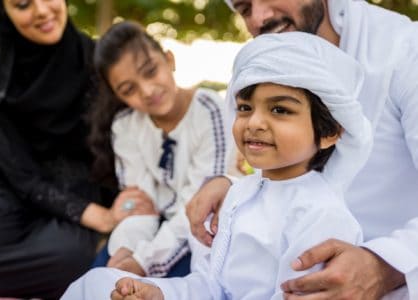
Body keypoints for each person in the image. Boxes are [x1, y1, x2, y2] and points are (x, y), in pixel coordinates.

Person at [61, 31, 375, 300]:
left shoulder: (322, 215)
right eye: (245, 107)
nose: (255, 122)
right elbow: (211, 285)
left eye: (279, 109)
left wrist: (147, 264)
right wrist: (160, 292)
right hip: (162, 242)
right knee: (96, 283)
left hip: (174, 239)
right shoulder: (237, 196)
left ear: (330, 131)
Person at [187, 0, 418, 298]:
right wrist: (234, 188)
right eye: (244, 8)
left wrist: (384, 265)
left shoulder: (407, 49)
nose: (259, 19)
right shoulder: (267, 62)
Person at [0, 1, 154, 298]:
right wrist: (99, 217)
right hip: (7, 187)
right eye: (22, 4)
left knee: (69, 260)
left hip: (76, 187)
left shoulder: (96, 62)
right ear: (6, 14)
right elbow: (13, 168)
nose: (41, 10)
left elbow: (146, 112)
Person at [88, 21, 229, 278]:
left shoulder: (208, 110)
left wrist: (143, 261)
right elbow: (141, 204)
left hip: (205, 229)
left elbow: (199, 208)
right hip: (151, 229)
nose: (147, 91)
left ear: (169, 60)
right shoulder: (126, 126)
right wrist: (126, 249)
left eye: (151, 71)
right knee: (102, 275)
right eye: (129, 89)